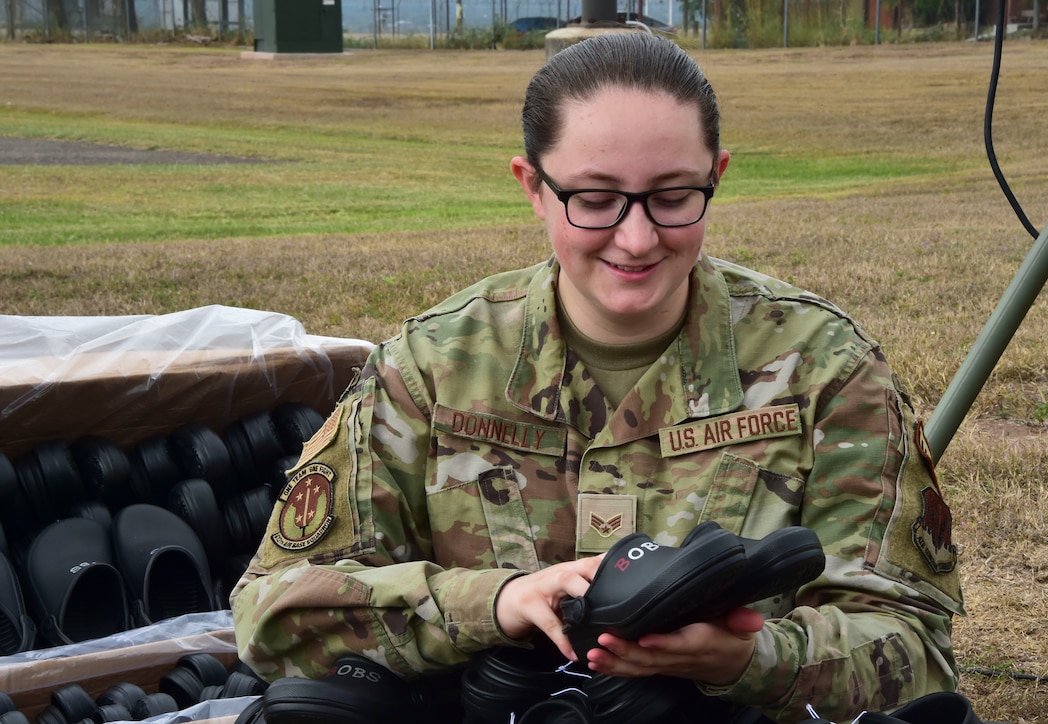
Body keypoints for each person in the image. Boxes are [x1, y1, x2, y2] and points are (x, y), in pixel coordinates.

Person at [230, 32, 964, 723]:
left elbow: (915, 648)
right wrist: (498, 602)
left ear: (718, 177)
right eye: (595, 198)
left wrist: (754, 657)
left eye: (674, 196)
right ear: (533, 187)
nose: (637, 237)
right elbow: (274, 616)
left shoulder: (824, 367)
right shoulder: (432, 368)